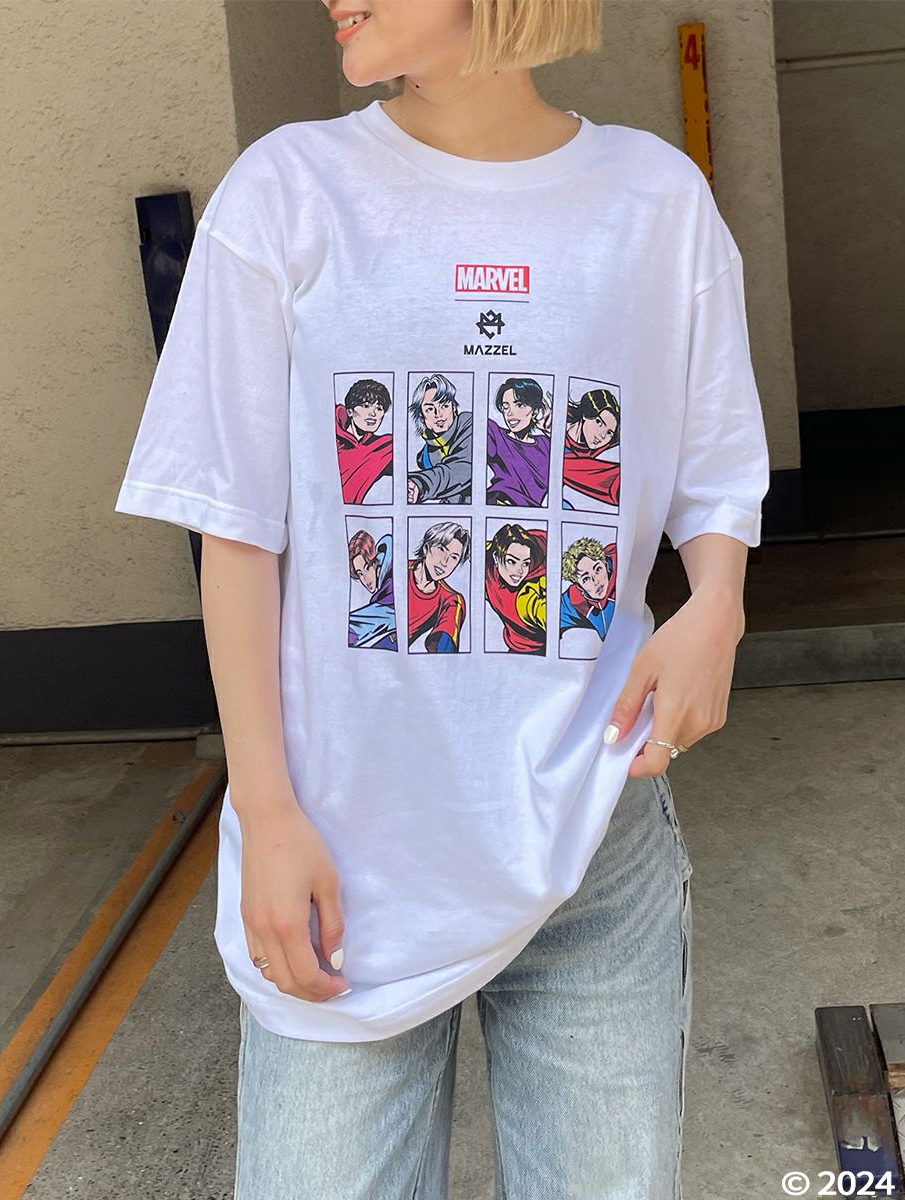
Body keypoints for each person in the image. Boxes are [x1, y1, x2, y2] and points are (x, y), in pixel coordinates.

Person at [113, 0, 770, 1194]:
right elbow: (234, 528)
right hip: (342, 848)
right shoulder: (290, 193)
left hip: (596, 826)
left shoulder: (654, 201)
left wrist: (715, 603)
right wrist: (266, 811)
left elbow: (717, 462)